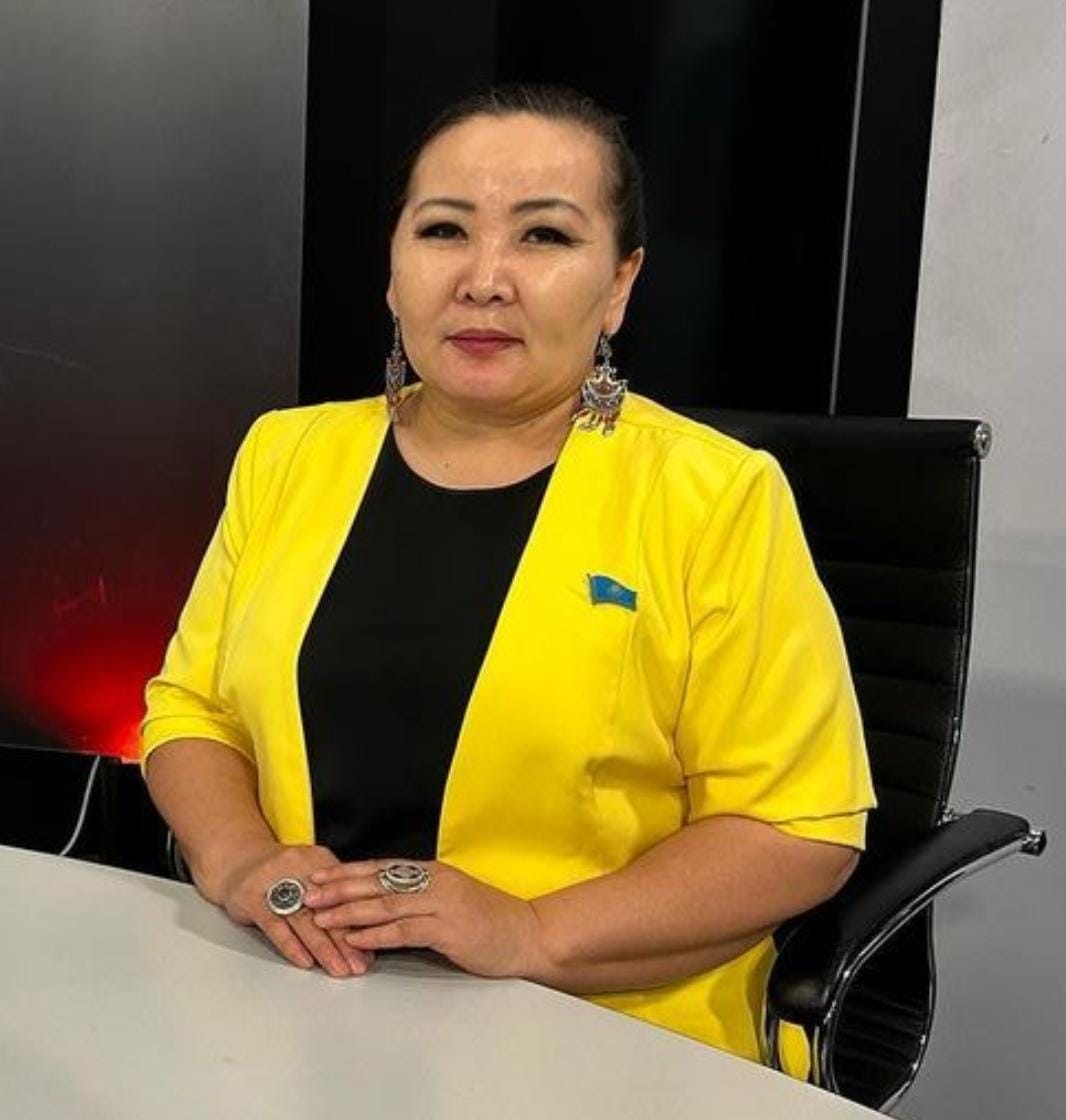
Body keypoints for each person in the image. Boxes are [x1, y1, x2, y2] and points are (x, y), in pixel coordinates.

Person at [141, 83, 875, 1070]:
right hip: (293, 1002)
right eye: (444, 230)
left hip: (602, 1032)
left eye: (543, 237)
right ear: (394, 269)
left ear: (618, 284)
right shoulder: (287, 453)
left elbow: (798, 828)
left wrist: (530, 932)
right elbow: (191, 709)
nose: (484, 280)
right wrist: (242, 864)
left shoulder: (715, 496)